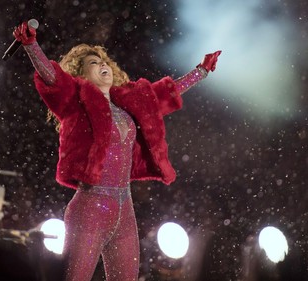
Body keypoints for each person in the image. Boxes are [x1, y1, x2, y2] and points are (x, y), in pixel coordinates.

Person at [12, 21, 221, 281]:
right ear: (80, 75)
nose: (102, 65)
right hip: (89, 209)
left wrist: (200, 72)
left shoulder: (128, 104)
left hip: (125, 210)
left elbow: (163, 94)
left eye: (103, 61)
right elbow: (52, 78)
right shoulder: (75, 104)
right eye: (92, 63)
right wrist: (32, 46)